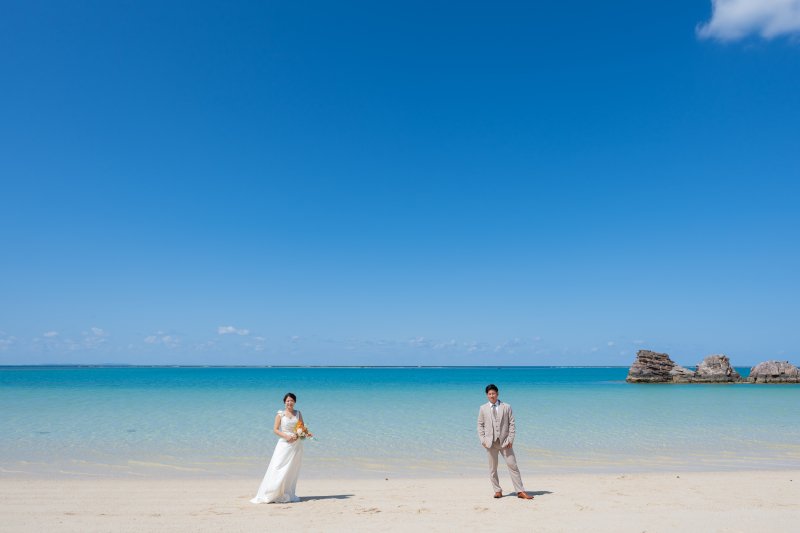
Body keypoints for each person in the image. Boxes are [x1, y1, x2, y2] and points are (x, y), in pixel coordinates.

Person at [477, 384, 533, 499]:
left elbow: (512, 423)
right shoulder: (483, 408)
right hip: (490, 443)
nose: (492, 395)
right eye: (489, 394)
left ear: (497, 394)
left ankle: (520, 491)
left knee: (513, 466)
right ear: (487, 395)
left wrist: (510, 439)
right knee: (493, 468)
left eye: (493, 393)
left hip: (505, 442)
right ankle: (497, 491)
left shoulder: (506, 406)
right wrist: (483, 440)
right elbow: (480, 424)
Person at [251, 392, 304, 503]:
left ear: (295, 402)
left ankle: (286, 493)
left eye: (292, 400)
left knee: (291, 469)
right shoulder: (280, 414)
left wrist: (297, 435)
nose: (290, 402)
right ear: (284, 402)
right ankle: (271, 492)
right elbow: (275, 429)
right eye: (288, 401)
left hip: (295, 444)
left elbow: (302, 427)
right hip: (284, 444)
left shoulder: (298, 413)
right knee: (277, 467)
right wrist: (287, 436)